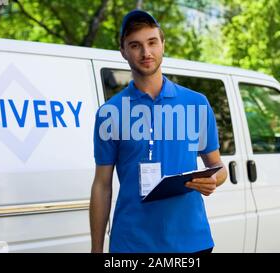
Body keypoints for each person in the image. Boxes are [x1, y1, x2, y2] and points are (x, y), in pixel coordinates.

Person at [90, 10, 228, 253]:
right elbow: (102, 186)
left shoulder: (196, 104)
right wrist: (96, 250)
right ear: (123, 51)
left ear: (163, 44)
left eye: (152, 42)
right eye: (135, 45)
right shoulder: (109, 113)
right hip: (131, 245)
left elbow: (218, 167)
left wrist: (212, 181)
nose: (146, 53)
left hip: (191, 242)